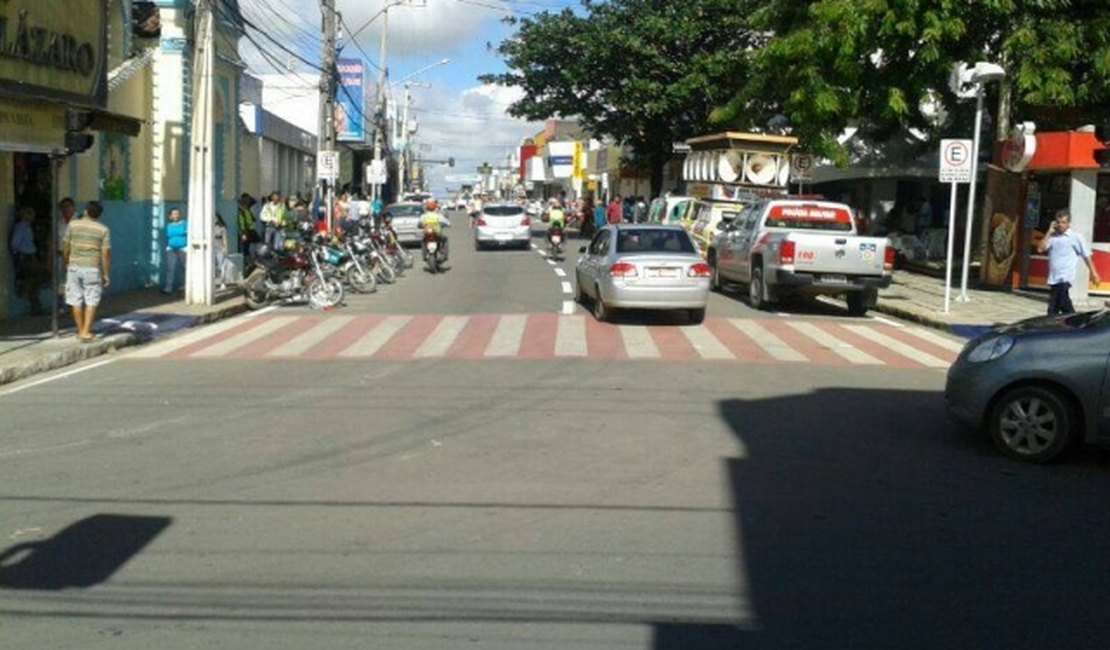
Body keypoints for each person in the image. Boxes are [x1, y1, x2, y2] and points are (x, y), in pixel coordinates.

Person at [1037, 209, 1102, 316]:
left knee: (1060, 303)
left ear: (1068, 223)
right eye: (1058, 222)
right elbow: (1040, 249)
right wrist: (1049, 231)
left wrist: (1093, 273)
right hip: (1054, 278)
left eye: (1063, 222)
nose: (1060, 225)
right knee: (1056, 307)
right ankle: (1067, 322)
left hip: (1065, 277)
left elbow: (1087, 256)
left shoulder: (1075, 237)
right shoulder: (1053, 237)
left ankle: (1074, 322)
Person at [62, 201, 110, 342]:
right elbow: (105, 254)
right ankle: (86, 331)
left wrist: (65, 262)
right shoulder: (103, 229)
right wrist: (106, 273)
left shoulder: (73, 225)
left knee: (75, 300)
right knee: (91, 300)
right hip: (92, 268)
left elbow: (65, 245)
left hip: (74, 267)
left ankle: (80, 330)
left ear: (86, 211)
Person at [10, 207, 45, 315]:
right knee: (33, 279)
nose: (33, 216)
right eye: (31, 214)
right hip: (26, 256)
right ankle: (35, 307)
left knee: (36, 279)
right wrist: (18, 253)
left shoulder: (27, 226)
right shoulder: (22, 227)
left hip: (30, 255)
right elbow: (15, 242)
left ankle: (35, 306)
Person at [163, 207, 187, 294]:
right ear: (170, 216)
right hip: (171, 249)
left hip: (183, 248)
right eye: (174, 214)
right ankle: (168, 288)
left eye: (177, 213)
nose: (176, 215)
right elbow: (169, 235)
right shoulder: (168, 225)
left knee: (185, 268)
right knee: (170, 268)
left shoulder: (184, 223)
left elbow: (187, 233)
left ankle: (187, 287)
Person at [237, 193, 257, 261]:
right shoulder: (241, 209)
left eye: (249, 199)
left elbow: (254, 201)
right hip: (244, 230)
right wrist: (243, 233)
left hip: (249, 229)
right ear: (243, 199)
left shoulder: (247, 208)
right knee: (244, 247)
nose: (249, 201)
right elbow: (241, 222)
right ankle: (245, 261)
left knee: (248, 246)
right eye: (247, 199)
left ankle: (248, 259)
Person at [214, 213, 230, 290]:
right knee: (213, 266)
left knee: (221, 266)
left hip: (219, 248)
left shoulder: (222, 228)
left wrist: (225, 248)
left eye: (216, 217)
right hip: (211, 249)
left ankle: (222, 282)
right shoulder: (208, 227)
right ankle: (213, 282)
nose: (214, 219)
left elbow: (225, 239)